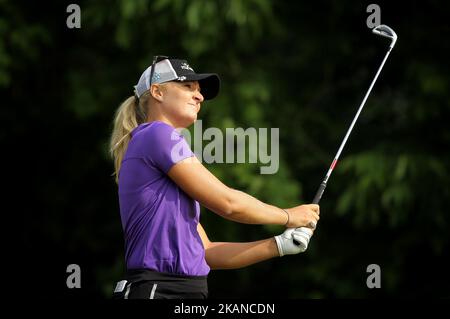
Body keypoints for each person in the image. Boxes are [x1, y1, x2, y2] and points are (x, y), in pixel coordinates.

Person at [110, 57, 320, 299]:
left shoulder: (162, 154)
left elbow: (207, 252)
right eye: (187, 87)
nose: (199, 97)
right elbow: (228, 203)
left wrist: (279, 245)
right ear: (157, 92)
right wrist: (288, 215)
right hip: (159, 290)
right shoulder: (156, 134)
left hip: (186, 291)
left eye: (199, 91)